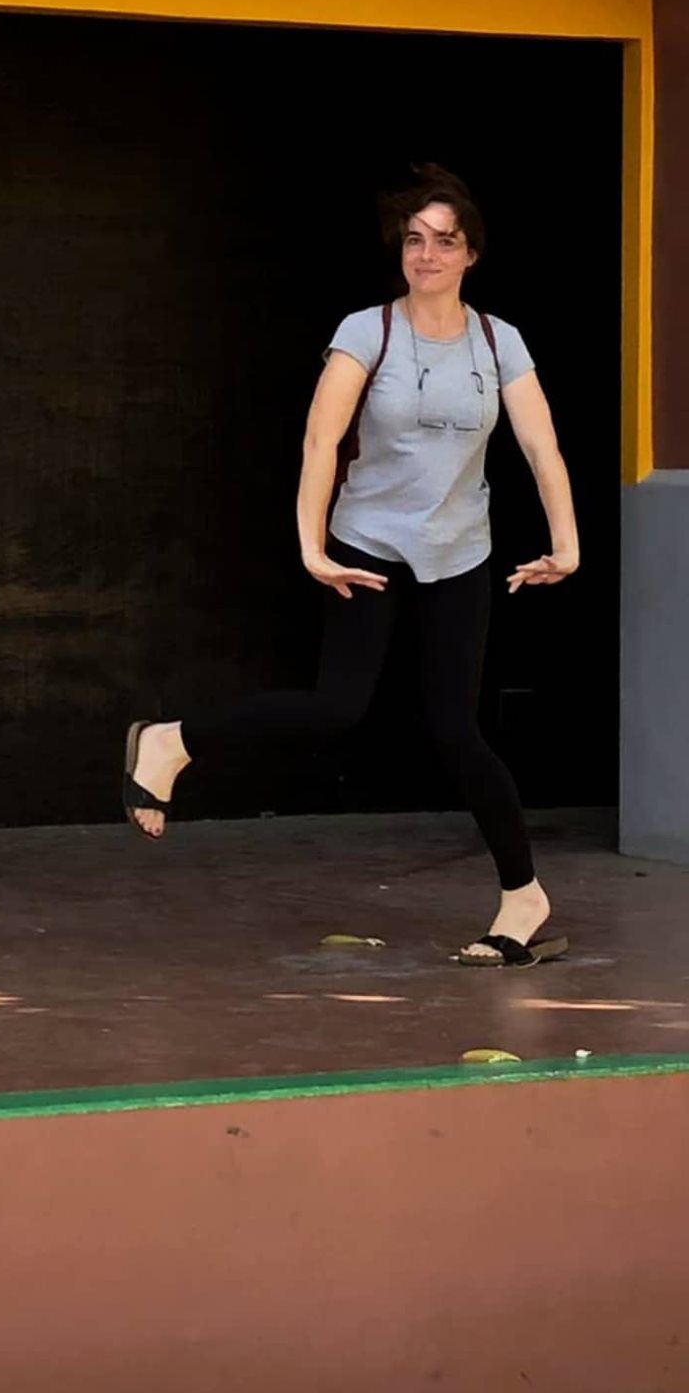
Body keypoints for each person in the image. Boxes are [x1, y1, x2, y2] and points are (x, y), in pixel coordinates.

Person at [122, 164, 579, 968]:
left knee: (454, 729)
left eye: (444, 242)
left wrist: (566, 544)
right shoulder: (368, 332)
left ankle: (523, 897)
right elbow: (320, 441)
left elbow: (540, 446)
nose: (426, 255)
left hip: (457, 551)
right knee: (337, 706)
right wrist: (311, 546)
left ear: (471, 254)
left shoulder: (497, 341)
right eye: (414, 240)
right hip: (368, 545)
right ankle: (170, 743)